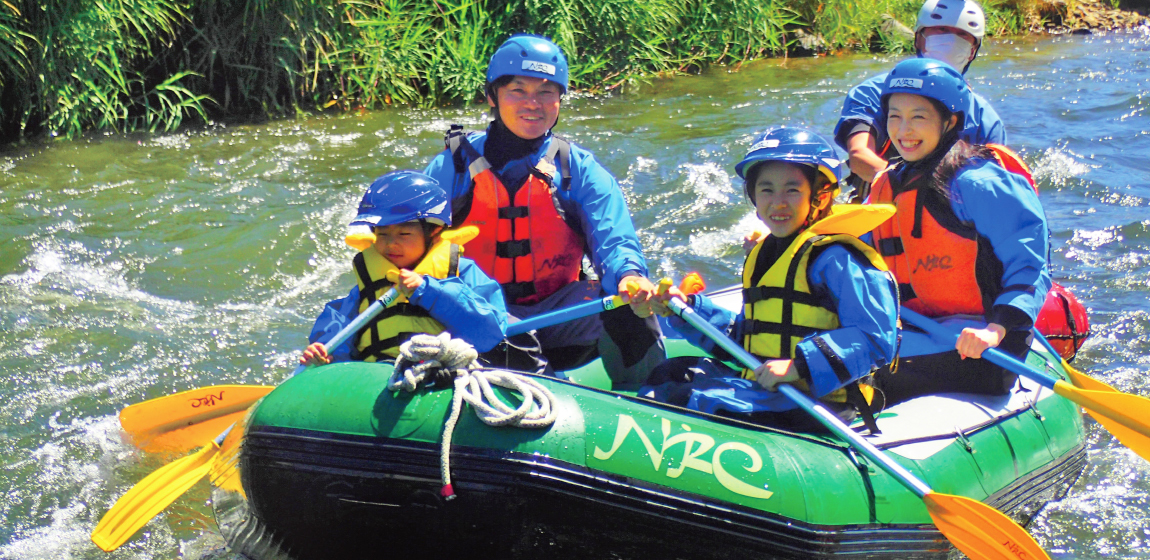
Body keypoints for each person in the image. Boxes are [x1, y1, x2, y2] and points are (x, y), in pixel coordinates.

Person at [422, 34, 664, 384]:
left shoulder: (577, 168)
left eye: (547, 92)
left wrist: (628, 276)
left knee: (627, 307)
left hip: (559, 314)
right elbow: (411, 241)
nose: (533, 104)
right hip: (479, 313)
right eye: (517, 91)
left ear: (560, 100)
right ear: (492, 96)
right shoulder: (453, 168)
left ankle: (650, 403)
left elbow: (614, 240)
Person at [643, 127, 899, 433]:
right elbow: (751, 336)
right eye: (766, 189)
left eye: (792, 190)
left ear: (820, 196)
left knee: (701, 402)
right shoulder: (766, 253)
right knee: (671, 374)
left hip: (821, 402)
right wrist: (688, 312)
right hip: (770, 390)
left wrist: (798, 367)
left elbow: (876, 339)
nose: (778, 202)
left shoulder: (838, 259)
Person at [865, 58, 1050, 404]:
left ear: (949, 121)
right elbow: (854, 250)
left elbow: (1031, 265)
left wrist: (995, 330)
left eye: (918, 117)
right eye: (894, 116)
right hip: (920, 331)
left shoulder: (977, 183)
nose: (903, 130)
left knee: (848, 372)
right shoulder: (888, 185)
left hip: (982, 345)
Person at [300, 170, 516, 368]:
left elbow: (489, 333)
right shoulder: (369, 280)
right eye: (382, 234)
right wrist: (326, 352)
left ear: (434, 231)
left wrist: (430, 291)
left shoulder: (463, 272)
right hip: (378, 375)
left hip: (442, 371)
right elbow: (340, 326)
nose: (391, 244)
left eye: (404, 234)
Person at [834, 0, 1005, 200]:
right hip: (877, 208)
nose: (950, 41)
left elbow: (993, 185)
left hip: (949, 217)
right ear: (919, 39)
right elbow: (859, 156)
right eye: (941, 30)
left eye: (962, 35)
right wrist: (912, 190)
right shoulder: (871, 92)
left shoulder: (985, 118)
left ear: (973, 51)